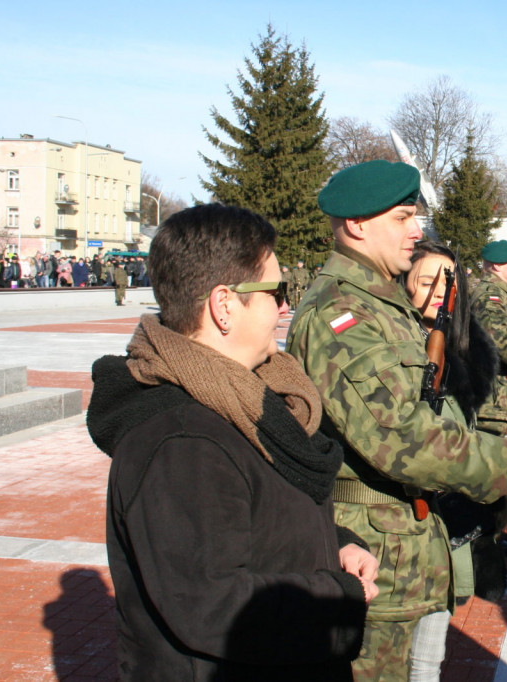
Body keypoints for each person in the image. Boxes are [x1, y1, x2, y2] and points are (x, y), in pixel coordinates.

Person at [285, 160, 507, 680]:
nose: (417, 231)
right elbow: (403, 437)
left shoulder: (381, 301)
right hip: (376, 562)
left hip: (406, 549)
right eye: (402, 218)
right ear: (356, 225)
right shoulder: (341, 315)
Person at [86, 203, 377, 680]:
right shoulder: (182, 441)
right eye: (275, 291)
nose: (286, 306)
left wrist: (335, 546)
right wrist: (338, 597)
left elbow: (255, 524)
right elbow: (209, 603)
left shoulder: (249, 398)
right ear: (224, 306)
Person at [401, 240, 507, 678]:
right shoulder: (396, 345)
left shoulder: (465, 351)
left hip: (452, 520)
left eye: (447, 283)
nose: (437, 291)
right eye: (425, 280)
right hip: (407, 527)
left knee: (430, 654)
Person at [471, 239, 507, 437]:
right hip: (492, 401)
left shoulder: (500, 292)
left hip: (498, 395)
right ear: (498, 265)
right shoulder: (490, 296)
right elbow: (503, 345)